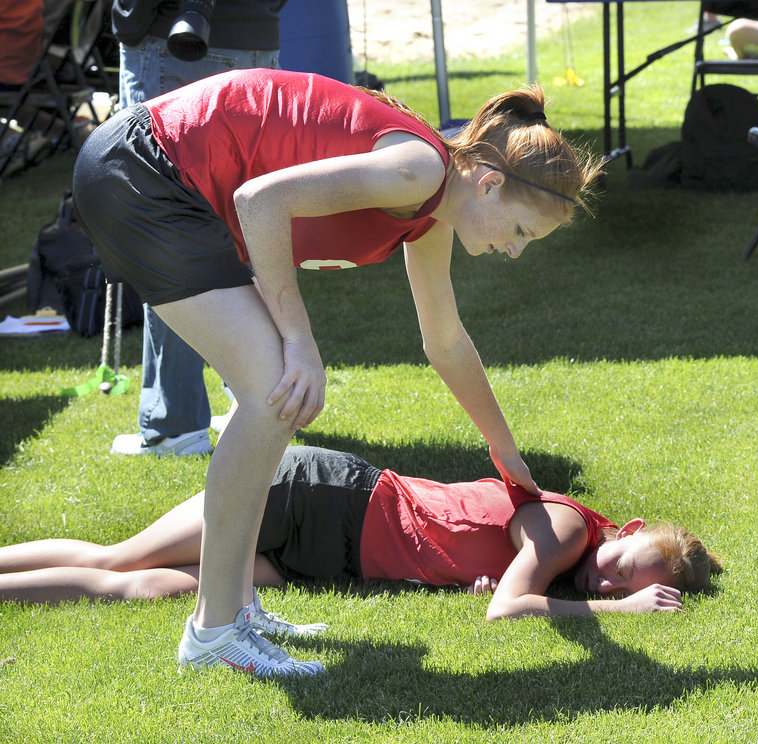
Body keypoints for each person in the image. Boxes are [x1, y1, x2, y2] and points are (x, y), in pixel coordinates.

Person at [71, 67, 603, 680]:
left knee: (273, 395)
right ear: (487, 184)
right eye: (520, 231)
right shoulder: (421, 170)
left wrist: (506, 454)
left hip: (154, 174)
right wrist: (299, 339)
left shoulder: (433, 207)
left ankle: (233, 608)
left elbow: (446, 341)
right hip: (144, 170)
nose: (515, 251)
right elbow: (260, 201)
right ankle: (215, 631)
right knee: (277, 390)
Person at [0, 446, 721, 618]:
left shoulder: (566, 562)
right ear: (622, 529)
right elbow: (509, 608)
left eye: (624, 584)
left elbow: (492, 578)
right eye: (625, 565)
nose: (608, 578)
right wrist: (616, 610)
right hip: (322, 498)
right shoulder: (567, 530)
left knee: (152, 589)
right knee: (121, 557)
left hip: (340, 557)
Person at [109, 0, 289, 457]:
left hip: (177, 42)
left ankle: (177, 423)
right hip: (253, 41)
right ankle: (261, 399)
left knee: (168, 233)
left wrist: (133, 19)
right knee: (243, 231)